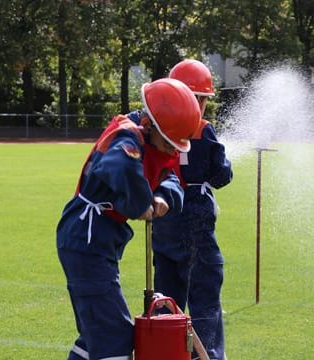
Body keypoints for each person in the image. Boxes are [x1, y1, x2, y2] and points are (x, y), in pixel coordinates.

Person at [56, 77, 201, 360]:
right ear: (151, 125)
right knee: (113, 336)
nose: (173, 150)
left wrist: (163, 198)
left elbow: (172, 179)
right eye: (170, 142)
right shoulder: (126, 138)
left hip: (96, 241)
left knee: (96, 334)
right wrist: (141, 204)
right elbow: (118, 168)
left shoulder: (158, 144)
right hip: (86, 237)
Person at [152, 59, 233, 360]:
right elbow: (220, 176)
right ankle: (205, 356)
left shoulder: (158, 128)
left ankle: (165, 353)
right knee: (205, 299)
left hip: (164, 221)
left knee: (166, 301)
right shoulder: (202, 129)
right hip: (196, 224)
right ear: (196, 98)